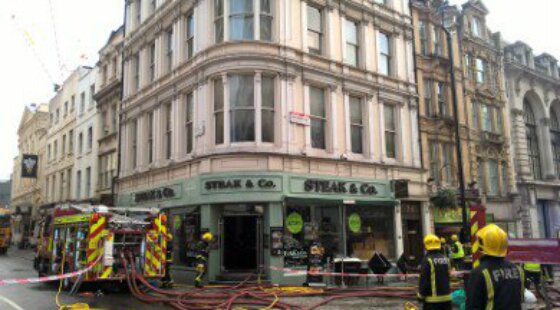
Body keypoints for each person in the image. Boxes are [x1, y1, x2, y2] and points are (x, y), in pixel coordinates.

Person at [466, 224, 524, 310]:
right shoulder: (518, 270)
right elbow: (520, 298)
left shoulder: (479, 273)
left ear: (482, 244)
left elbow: (473, 306)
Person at [417, 234, 452, 310]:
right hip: (447, 299)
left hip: (433, 301)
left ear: (426, 246)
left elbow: (424, 280)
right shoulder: (445, 259)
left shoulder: (427, 260)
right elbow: (449, 276)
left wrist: (420, 296)